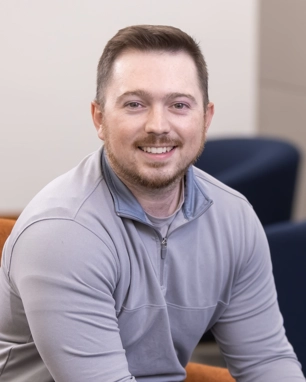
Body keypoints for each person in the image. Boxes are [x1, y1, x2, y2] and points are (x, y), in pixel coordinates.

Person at [0, 25, 304, 382]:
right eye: (135, 104)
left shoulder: (233, 217)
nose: (158, 125)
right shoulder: (62, 235)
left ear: (205, 118)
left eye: (178, 105)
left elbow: (266, 361)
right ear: (99, 118)